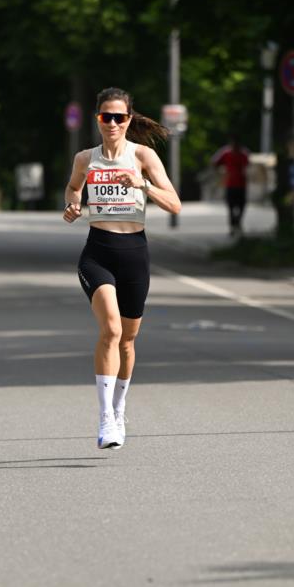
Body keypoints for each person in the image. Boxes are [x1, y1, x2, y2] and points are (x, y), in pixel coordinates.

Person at [63, 87, 181, 449]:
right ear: (97, 119)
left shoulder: (142, 156)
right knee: (111, 330)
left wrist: (142, 184)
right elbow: (72, 188)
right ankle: (104, 421)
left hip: (134, 253)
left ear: (129, 119)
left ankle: (119, 407)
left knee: (128, 341)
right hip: (98, 253)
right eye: (105, 117)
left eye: (119, 117)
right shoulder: (86, 158)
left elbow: (174, 204)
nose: (112, 123)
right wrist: (72, 205)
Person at [211, 136, 250, 236]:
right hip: (233, 183)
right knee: (233, 206)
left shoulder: (231, 153)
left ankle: (235, 224)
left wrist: (219, 172)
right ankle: (235, 224)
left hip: (238, 183)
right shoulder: (231, 153)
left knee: (237, 206)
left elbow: (214, 162)